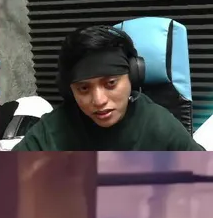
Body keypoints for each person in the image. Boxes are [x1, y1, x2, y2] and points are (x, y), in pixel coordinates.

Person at [12, 25, 204, 151]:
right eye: (84, 88)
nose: (99, 101)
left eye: (110, 83)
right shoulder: (52, 130)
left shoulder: (158, 125)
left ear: (133, 76)